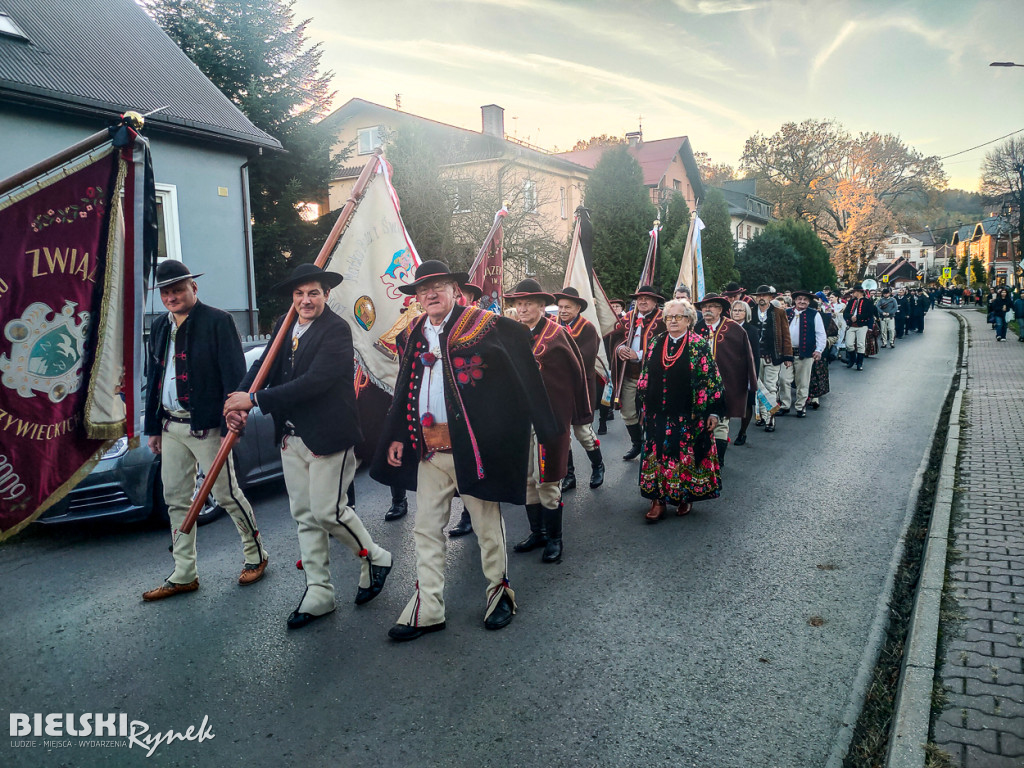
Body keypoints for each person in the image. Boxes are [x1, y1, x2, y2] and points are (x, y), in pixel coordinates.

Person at [370, 261, 559, 641]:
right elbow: (405, 387)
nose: (431, 294)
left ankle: (498, 593)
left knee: (487, 525)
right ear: (417, 298)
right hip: (429, 451)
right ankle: (429, 607)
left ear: (455, 290)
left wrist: (543, 426)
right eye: (423, 290)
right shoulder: (412, 334)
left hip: (473, 449)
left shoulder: (487, 325)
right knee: (426, 529)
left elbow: (524, 367)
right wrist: (395, 436)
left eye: (439, 286)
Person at [224, 263, 391, 630]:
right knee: (304, 517)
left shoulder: (336, 329)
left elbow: (316, 381)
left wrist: (254, 402)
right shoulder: (286, 328)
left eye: (313, 292)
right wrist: (235, 400)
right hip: (289, 437)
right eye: (299, 294)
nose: (305, 300)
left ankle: (375, 556)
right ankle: (319, 592)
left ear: (326, 295)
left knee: (328, 512)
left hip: (329, 436)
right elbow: (261, 370)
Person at [142, 260, 268, 602]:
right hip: (170, 426)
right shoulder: (157, 328)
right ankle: (184, 572)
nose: (172, 296)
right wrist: (152, 428)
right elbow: (153, 380)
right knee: (176, 500)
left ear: (193, 289)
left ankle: (256, 554)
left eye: (178, 289)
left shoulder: (218, 321)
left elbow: (234, 375)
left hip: (206, 427)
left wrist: (234, 418)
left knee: (226, 493)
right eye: (166, 292)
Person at [507, 279, 591, 563]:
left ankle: (556, 538)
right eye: (518, 303)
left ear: (542, 306)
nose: (522, 308)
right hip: (521, 419)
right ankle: (538, 532)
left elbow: (578, 373)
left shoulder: (557, 335)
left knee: (547, 480)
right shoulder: (514, 334)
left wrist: (578, 415)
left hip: (550, 420)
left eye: (528, 302)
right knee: (528, 479)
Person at [637, 299, 724, 522]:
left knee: (684, 455)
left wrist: (713, 412)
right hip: (658, 412)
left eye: (678, 317)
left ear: (689, 320)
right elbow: (646, 375)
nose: (673, 321)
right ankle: (657, 500)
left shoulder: (698, 344)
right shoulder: (657, 342)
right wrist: (643, 405)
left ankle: (684, 496)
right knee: (657, 455)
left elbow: (711, 380)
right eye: (669, 317)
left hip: (688, 414)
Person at [693, 293, 757, 465]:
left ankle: (719, 459)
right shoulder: (696, 328)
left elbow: (747, 356)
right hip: (700, 384)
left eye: (712, 306)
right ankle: (703, 456)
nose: (707, 309)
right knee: (701, 420)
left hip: (726, 382)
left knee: (721, 421)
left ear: (720, 309)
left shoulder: (734, 329)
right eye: (705, 307)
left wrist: (750, 380)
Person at [553, 286, 606, 491]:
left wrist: (556, 362)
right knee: (563, 434)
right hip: (558, 390)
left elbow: (584, 359)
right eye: (560, 307)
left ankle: (597, 465)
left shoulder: (588, 329)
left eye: (567, 307)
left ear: (577, 308)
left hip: (580, 389)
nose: (563, 311)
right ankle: (569, 475)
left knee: (583, 432)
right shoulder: (553, 326)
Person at [613, 285, 666, 461]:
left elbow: (665, 348)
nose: (642, 301)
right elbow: (616, 339)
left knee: (652, 413)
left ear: (656, 301)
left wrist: (640, 354)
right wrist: (620, 349)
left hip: (652, 377)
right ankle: (637, 443)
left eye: (647, 298)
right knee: (627, 412)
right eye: (639, 298)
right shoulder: (627, 318)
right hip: (629, 374)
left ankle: (651, 446)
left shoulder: (664, 320)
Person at [749, 285, 793, 432]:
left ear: (770, 297)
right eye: (759, 296)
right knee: (759, 388)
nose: (761, 298)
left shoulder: (779, 312)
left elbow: (785, 335)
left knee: (771, 387)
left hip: (772, 356)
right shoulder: (751, 312)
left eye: (765, 295)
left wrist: (787, 355)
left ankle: (770, 418)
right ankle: (762, 415)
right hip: (755, 356)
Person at [786, 291, 827, 417]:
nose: (802, 301)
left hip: (805, 353)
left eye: (805, 299)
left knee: (802, 382)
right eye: (799, 299)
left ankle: (800, 406)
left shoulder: (814, 314)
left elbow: (820, 333)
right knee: (783, 380)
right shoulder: (787, 313)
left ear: (809, 302)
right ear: (795, 300)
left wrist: (819, 349)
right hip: (787, 353)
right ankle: (784, 405)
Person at [729, 299, 757, 445]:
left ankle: (742, 432)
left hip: (744, 371)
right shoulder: (726, 328)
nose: (737, 313)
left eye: (740, 310)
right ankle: (722, 434)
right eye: (735, 310)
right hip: (728, 371)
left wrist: (753, 376)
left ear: (746, 313)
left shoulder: (752, 331)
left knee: (746, 403)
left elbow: (755, 356)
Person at [842, 284, 876, 371]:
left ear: (859, 292)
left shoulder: (867, 302)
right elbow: (845, 313)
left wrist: (858, 317)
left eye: (854, 292)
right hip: (852, 325)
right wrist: (850, 317)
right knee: (849, 344)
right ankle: (852, 359)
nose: (853, 294)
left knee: (861, 344)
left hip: (862, 325)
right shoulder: (851, 302)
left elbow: (869, 314)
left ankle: (859, 363)